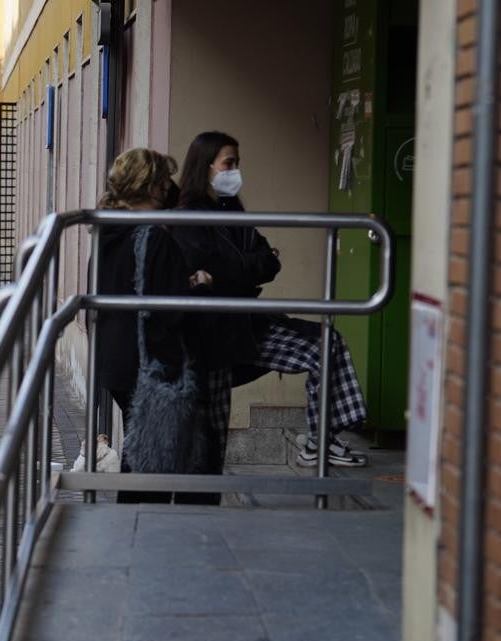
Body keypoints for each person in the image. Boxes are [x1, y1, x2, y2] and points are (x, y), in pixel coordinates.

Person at [177, 131, 369, 468]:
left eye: (237, 163)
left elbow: (267, 262)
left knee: (327, 344)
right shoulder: (190, 215)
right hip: (216, 335)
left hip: (248, 324)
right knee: (208, 434)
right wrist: (243, 268)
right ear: (205, 166)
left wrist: (236, 270)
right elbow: (214, 266)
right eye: (229, 163)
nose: (235, 171)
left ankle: (321, 439)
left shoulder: (231, 209)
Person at [95, 148, 216, 504]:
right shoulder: (153, 235)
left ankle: (137, 529)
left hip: (115, 356)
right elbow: (169, 304)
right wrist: (198, 284)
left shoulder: (108, 229)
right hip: (149, 363)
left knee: (140, 450)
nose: (170, 186)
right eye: (164, 178)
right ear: (152, 186)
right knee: (154, 462)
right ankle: (145, 533)